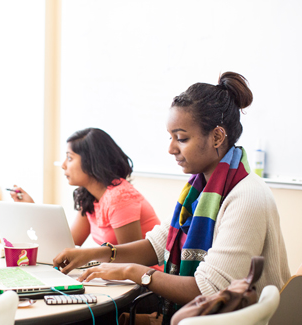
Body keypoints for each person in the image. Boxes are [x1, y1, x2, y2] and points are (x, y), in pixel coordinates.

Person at [52, 72, 291, 323]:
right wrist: (92, 255)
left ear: (217, 137)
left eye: (182, 138)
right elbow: (154, 246)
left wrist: (131, 271)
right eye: (170, 137)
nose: (171, 148)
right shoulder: (198, 190)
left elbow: (207, 289)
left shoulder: (246, 195)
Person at [11, 128, 161, 248]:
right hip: (117, 277)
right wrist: (29, 207)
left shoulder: (120, 196)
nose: (63, 165)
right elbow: (68, 246)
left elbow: (131, 260)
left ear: (91, 162)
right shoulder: (89, 196)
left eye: (69, 158)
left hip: (145, 280)